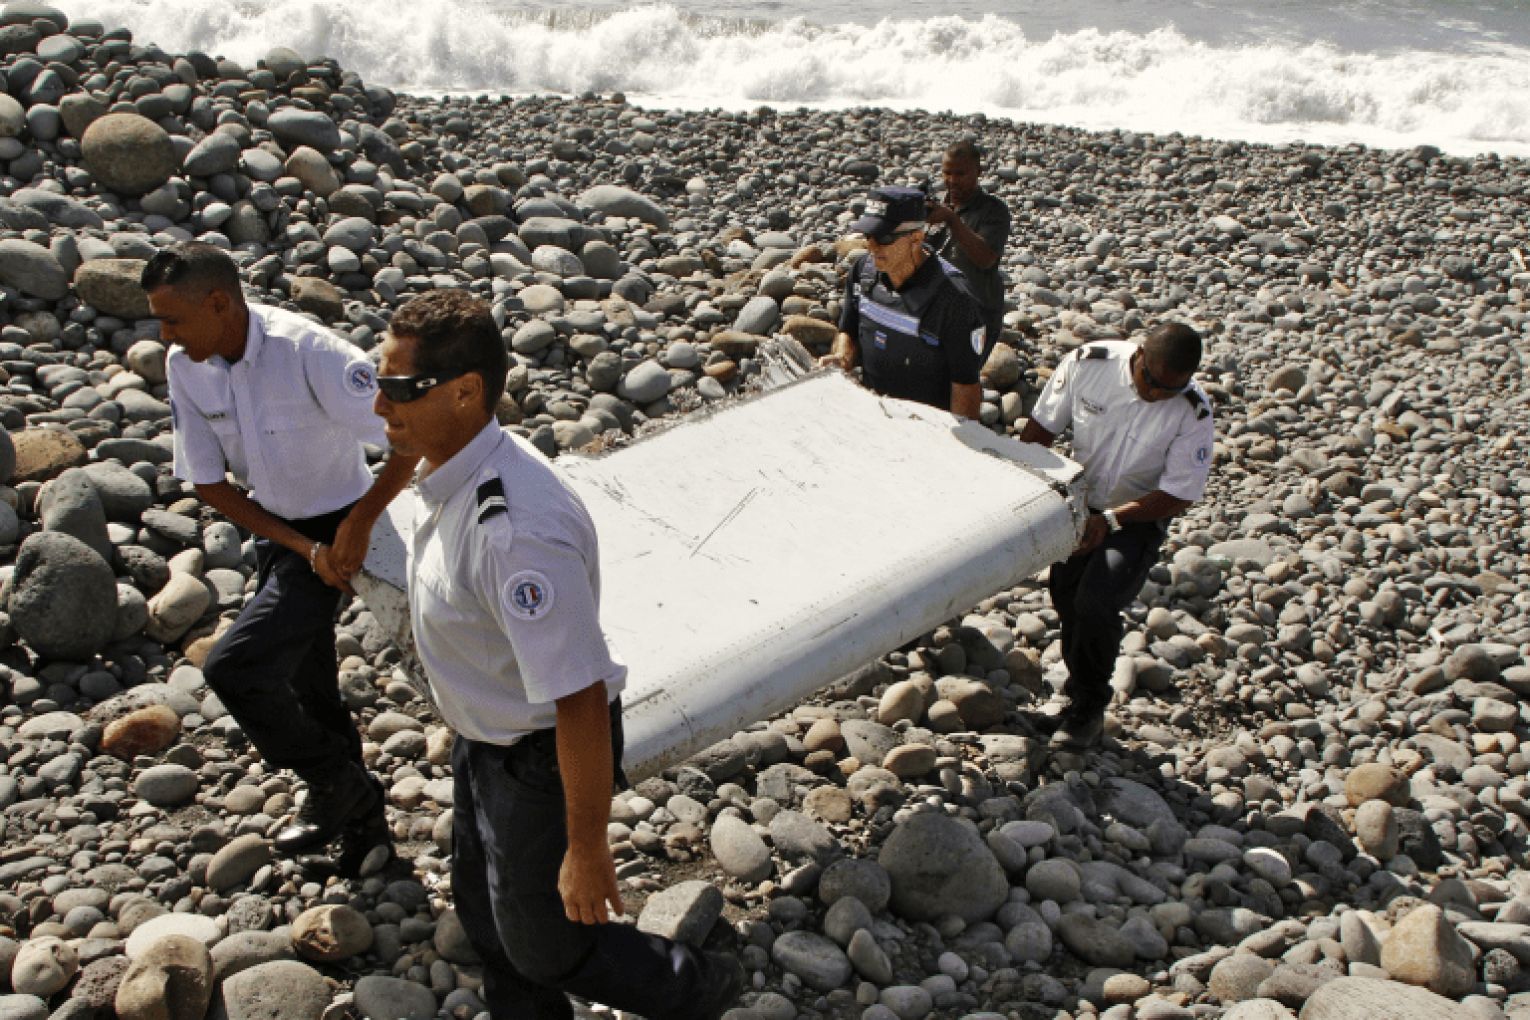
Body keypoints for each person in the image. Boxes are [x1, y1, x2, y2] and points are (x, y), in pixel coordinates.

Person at [373, 289, 743, 1020]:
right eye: (376, 383)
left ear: (465, 392)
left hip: (540, 752)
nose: (380, 408)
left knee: (547, 941)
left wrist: (588, 845)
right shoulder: (453, 467)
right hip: (488, 740)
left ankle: (696, 985)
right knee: (485, 908)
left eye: (397, 390)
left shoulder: (517, 536)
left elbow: (578, 697)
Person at [149, 242, 417, 873]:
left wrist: (358, 526)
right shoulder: (186, 365)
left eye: (173, 319)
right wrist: (300, 547)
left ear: (219, 302)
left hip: (345, 520)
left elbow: (409, 435)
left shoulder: (308, 352)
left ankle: (333, 781)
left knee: (234, 668)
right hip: (283, 533)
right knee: (308, 682)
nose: (165, 334)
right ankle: (367, 836)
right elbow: (208, 483)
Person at [1018, 323, 1215, 752]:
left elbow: (1179, 493)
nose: (1159, 394)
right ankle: (1074, 694)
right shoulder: (1090, 365)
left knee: (1098, 601)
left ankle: (1090, 707)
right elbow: (1041, 429)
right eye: (1153, 382)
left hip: (1139, 514)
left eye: (1171, 389)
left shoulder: (1192, 411)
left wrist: (1111, 521)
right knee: (1066, 597)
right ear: (1140, 355)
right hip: (1080, 499)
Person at [823, 185, 989, 418]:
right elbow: (848, 330)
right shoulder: (863, 273)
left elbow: (965, 387)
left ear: (917, 238)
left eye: (884, 237)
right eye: (868, 236)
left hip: (925, 429)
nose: (872, 246)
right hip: (871, 413)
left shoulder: (954, 300)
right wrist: (843, 359)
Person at [926, 138, 1011, 348]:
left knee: (964, 377)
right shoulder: (936, 204)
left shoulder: (993, 211)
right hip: (935, 309)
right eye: (947, 173)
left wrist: (952, 220)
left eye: (960, 174)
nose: (952, 180)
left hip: (978, 314)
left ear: (978, 171)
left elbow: (985, 259)